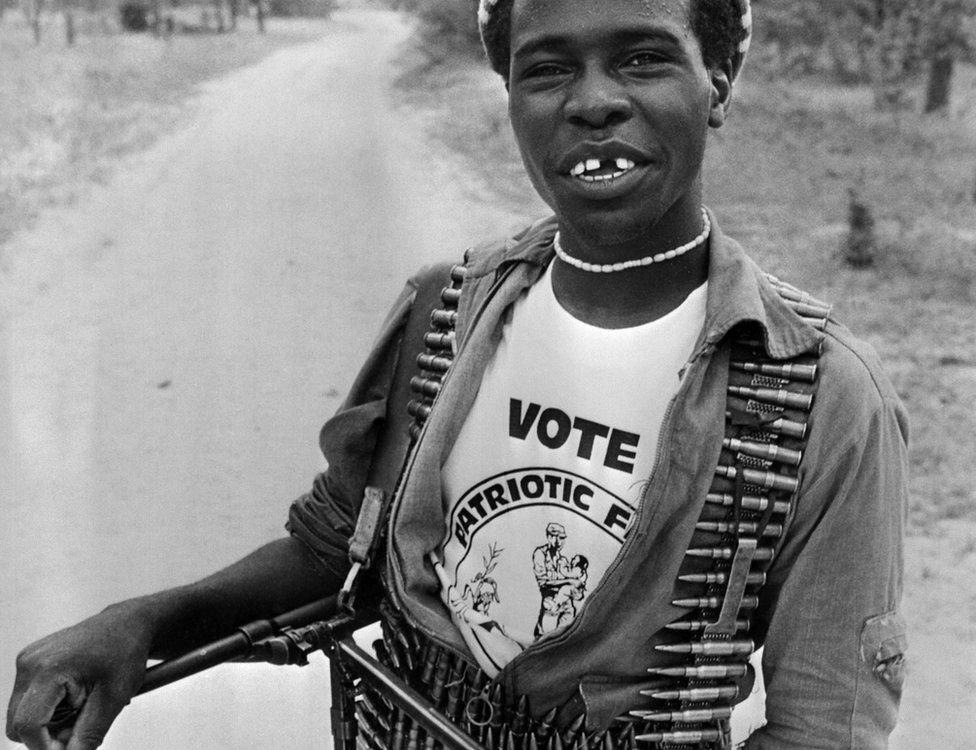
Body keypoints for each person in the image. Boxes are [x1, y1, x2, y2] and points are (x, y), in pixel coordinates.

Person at [6, 0, 910, 748]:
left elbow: (826, 726)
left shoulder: (817, 393)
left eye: (642, 59)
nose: (593, 103)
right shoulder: (450, 307)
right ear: (511, 96)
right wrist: (146, 624)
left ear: (718, 82)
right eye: (546, 69)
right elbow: (339, 554)